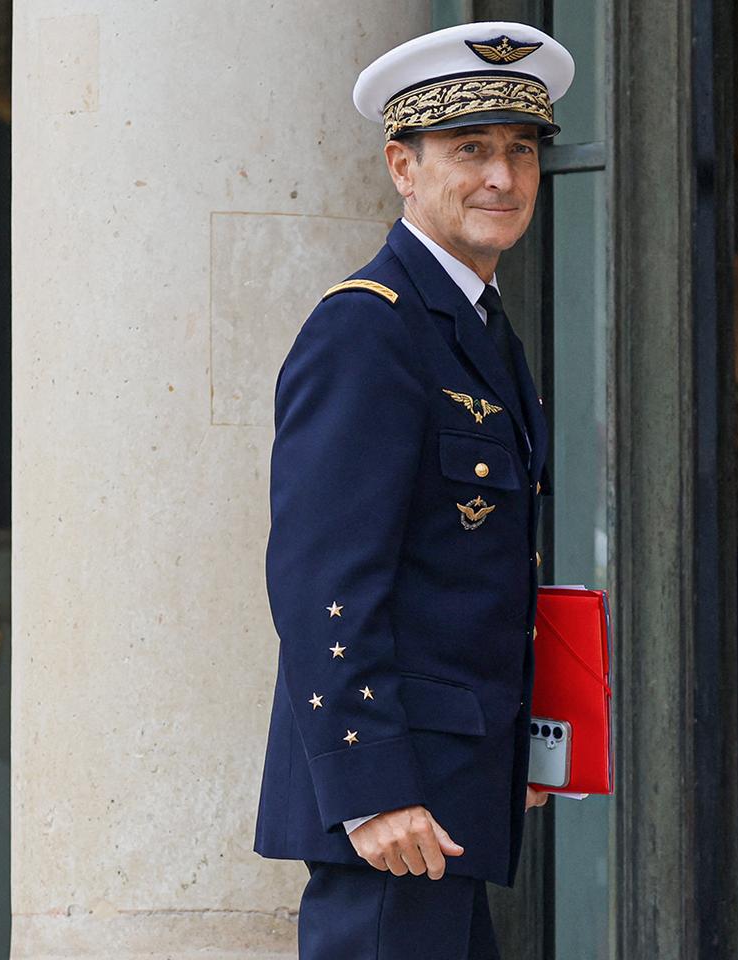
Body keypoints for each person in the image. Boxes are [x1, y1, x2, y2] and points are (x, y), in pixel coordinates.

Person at [252, 21, 575, 960]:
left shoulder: (479, 327)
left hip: (451, 792)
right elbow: (323, 579)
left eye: (521, 151)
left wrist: (519, 745)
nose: (502, 178)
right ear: (403, 166)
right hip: (398, 809)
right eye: (469, 149)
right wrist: (373, 788)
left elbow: (473, 573)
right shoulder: (369, 328)